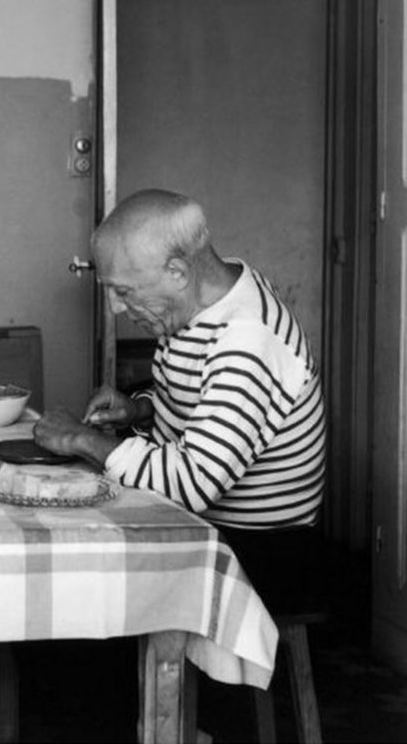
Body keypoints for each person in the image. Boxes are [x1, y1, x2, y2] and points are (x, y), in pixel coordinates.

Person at [34, 189, 326, 611]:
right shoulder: (204, 303)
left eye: (123, 291)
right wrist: (140, 409)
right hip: (212, 529)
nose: (115, 307)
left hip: (257, 553)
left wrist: (83, 440)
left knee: (73, 589)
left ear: (177, 271)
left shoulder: (248, 338)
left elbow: (192, 485)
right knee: (65, 544)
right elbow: (208, 407)